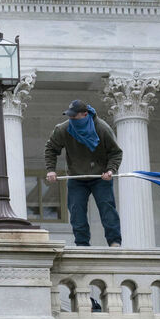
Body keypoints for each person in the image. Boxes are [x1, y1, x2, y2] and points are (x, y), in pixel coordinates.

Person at [45, 99, 124, 247]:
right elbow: (51, 149)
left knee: (107, 207)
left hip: (100, 177)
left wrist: (111, 170)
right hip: (77, 177)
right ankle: (82, 244)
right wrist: (51, 170)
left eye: (74, 116)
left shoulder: (101, 128)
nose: (71, 119)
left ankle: (114, 242)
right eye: (70, 116)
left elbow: (115, 153)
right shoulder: (64, 129)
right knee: (76, 210)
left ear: (85, 114)